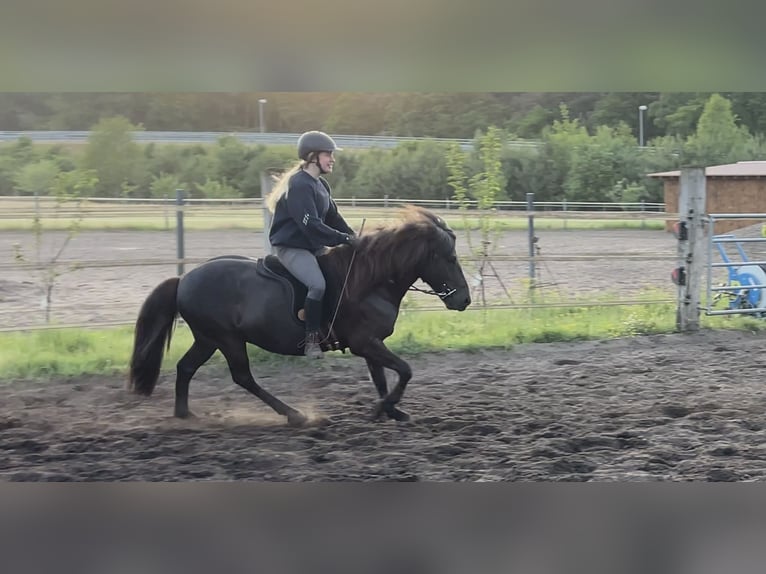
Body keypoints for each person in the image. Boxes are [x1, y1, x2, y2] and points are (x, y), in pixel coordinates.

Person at [266, 130, 357, 358]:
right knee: (317, 285)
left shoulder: (321, 185)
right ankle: (311, 341)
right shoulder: (299, 185)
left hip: (313, 247)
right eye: (329, 155)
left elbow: (334, 218)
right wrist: (342, 239)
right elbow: (312, 226)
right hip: (292, 247)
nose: (332, 159)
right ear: (313, 156)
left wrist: (354, 237)